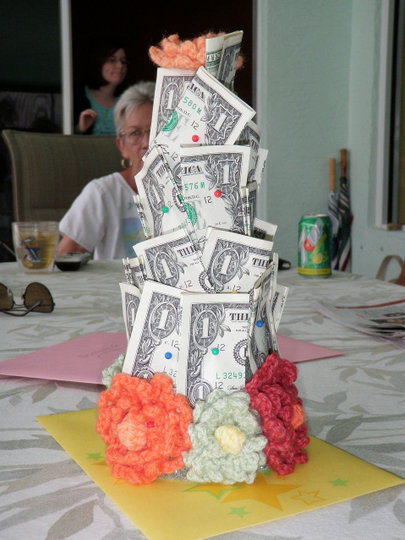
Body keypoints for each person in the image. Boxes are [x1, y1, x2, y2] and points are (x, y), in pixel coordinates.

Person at [58, 81, 155, 259]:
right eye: (135, 133)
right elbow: (64, 260)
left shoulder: (191, 190)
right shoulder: (102, 193)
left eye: (155, 130)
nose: (147, 143)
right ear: (122, 146)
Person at [75, 40, 129, 135]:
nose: (120, 66)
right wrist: (80, 129)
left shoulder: (128, 101)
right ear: (98, 63)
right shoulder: (77, 97)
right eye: (112, 60)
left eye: (123, 61)